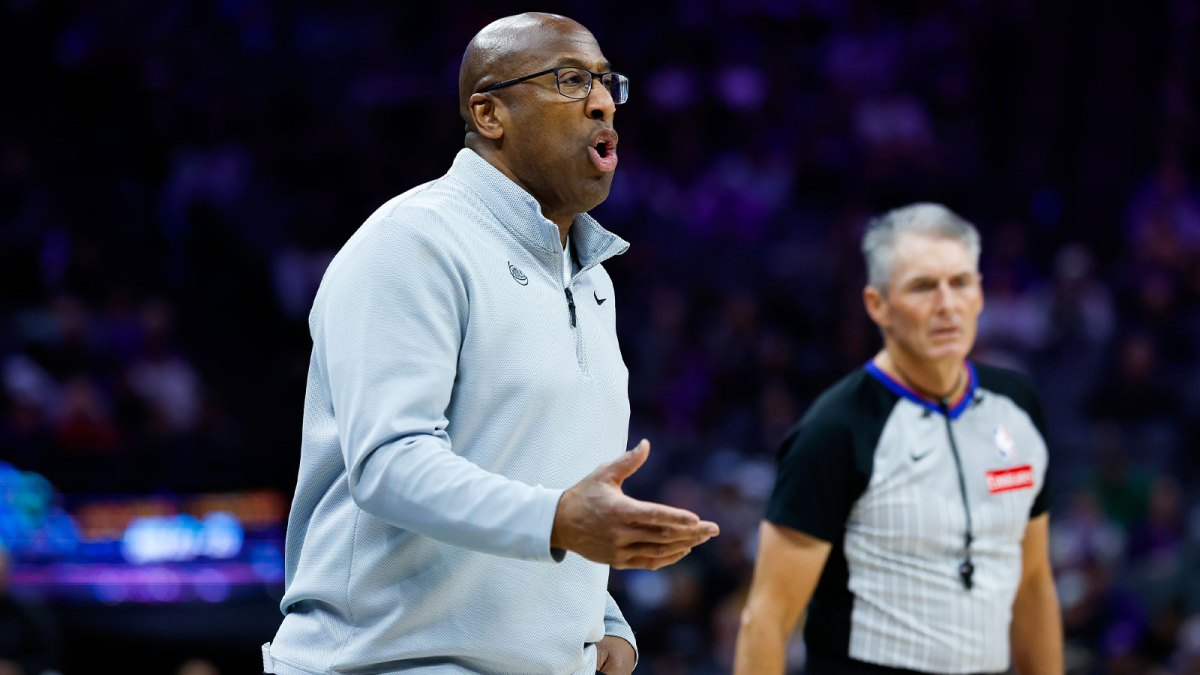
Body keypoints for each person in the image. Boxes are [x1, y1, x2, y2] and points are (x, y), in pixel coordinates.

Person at [261, 12, 719, 675]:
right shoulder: (414, 241)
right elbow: (391, 462)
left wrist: (602, 620)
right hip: (387, 662)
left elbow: (544, 476)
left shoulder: (591, 279)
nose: (600, 101)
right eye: (569, 79)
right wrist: (560, 519)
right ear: (490, 113)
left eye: (605, 82)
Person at [734, 203, 1063, 674]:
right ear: (877, 305)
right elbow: (766, 619)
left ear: (980, 295)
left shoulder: (1018, 404)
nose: (947, 305)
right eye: (924, 287)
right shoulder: (835, 429)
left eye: (961, 283)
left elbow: (1032, 583)